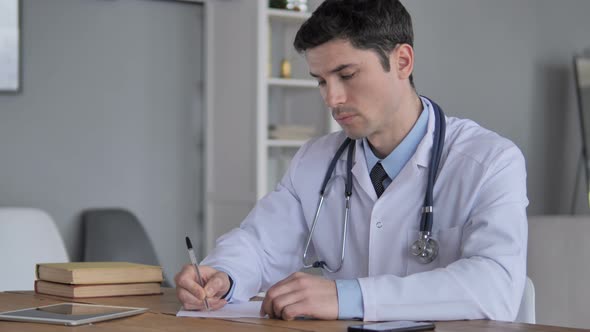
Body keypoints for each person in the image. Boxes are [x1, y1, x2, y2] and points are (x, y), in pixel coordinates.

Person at [175, 0, 528, 322]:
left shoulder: (490, 162)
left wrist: (349, 296)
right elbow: (259, 244)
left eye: (346, 75)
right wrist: (223, 274)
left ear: (402, 61)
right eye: (321, 81)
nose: (332, 98)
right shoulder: (316, 161)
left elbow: (495, 286)